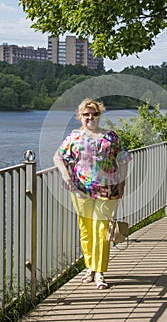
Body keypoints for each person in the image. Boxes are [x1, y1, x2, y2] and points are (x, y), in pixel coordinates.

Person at [53, 98, 131, 289]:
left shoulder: (111, 137)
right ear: (80, 116)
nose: (90, 118)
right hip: (80, 191)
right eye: (86, 114)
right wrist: (66, 177)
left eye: (94, 114)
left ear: (99, 115)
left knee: (101, 231)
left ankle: (100, 272)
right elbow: (58, 157)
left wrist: (122, 183)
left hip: (107, 190)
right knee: (86, 230)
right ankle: (90, 267)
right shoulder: (74, 137)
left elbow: (124, 159)